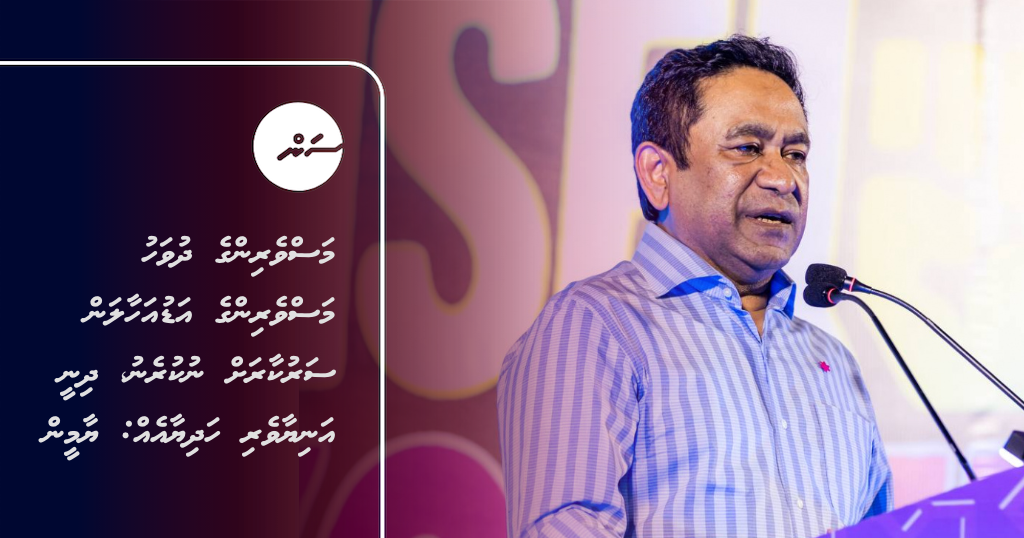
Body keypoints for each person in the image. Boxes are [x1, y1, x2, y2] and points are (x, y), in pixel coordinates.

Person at [497, 35, 892, 538]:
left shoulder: (833, 362)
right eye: (747, 148)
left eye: (795, 153)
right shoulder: (595, 326)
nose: (782, 177)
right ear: (657, 173)